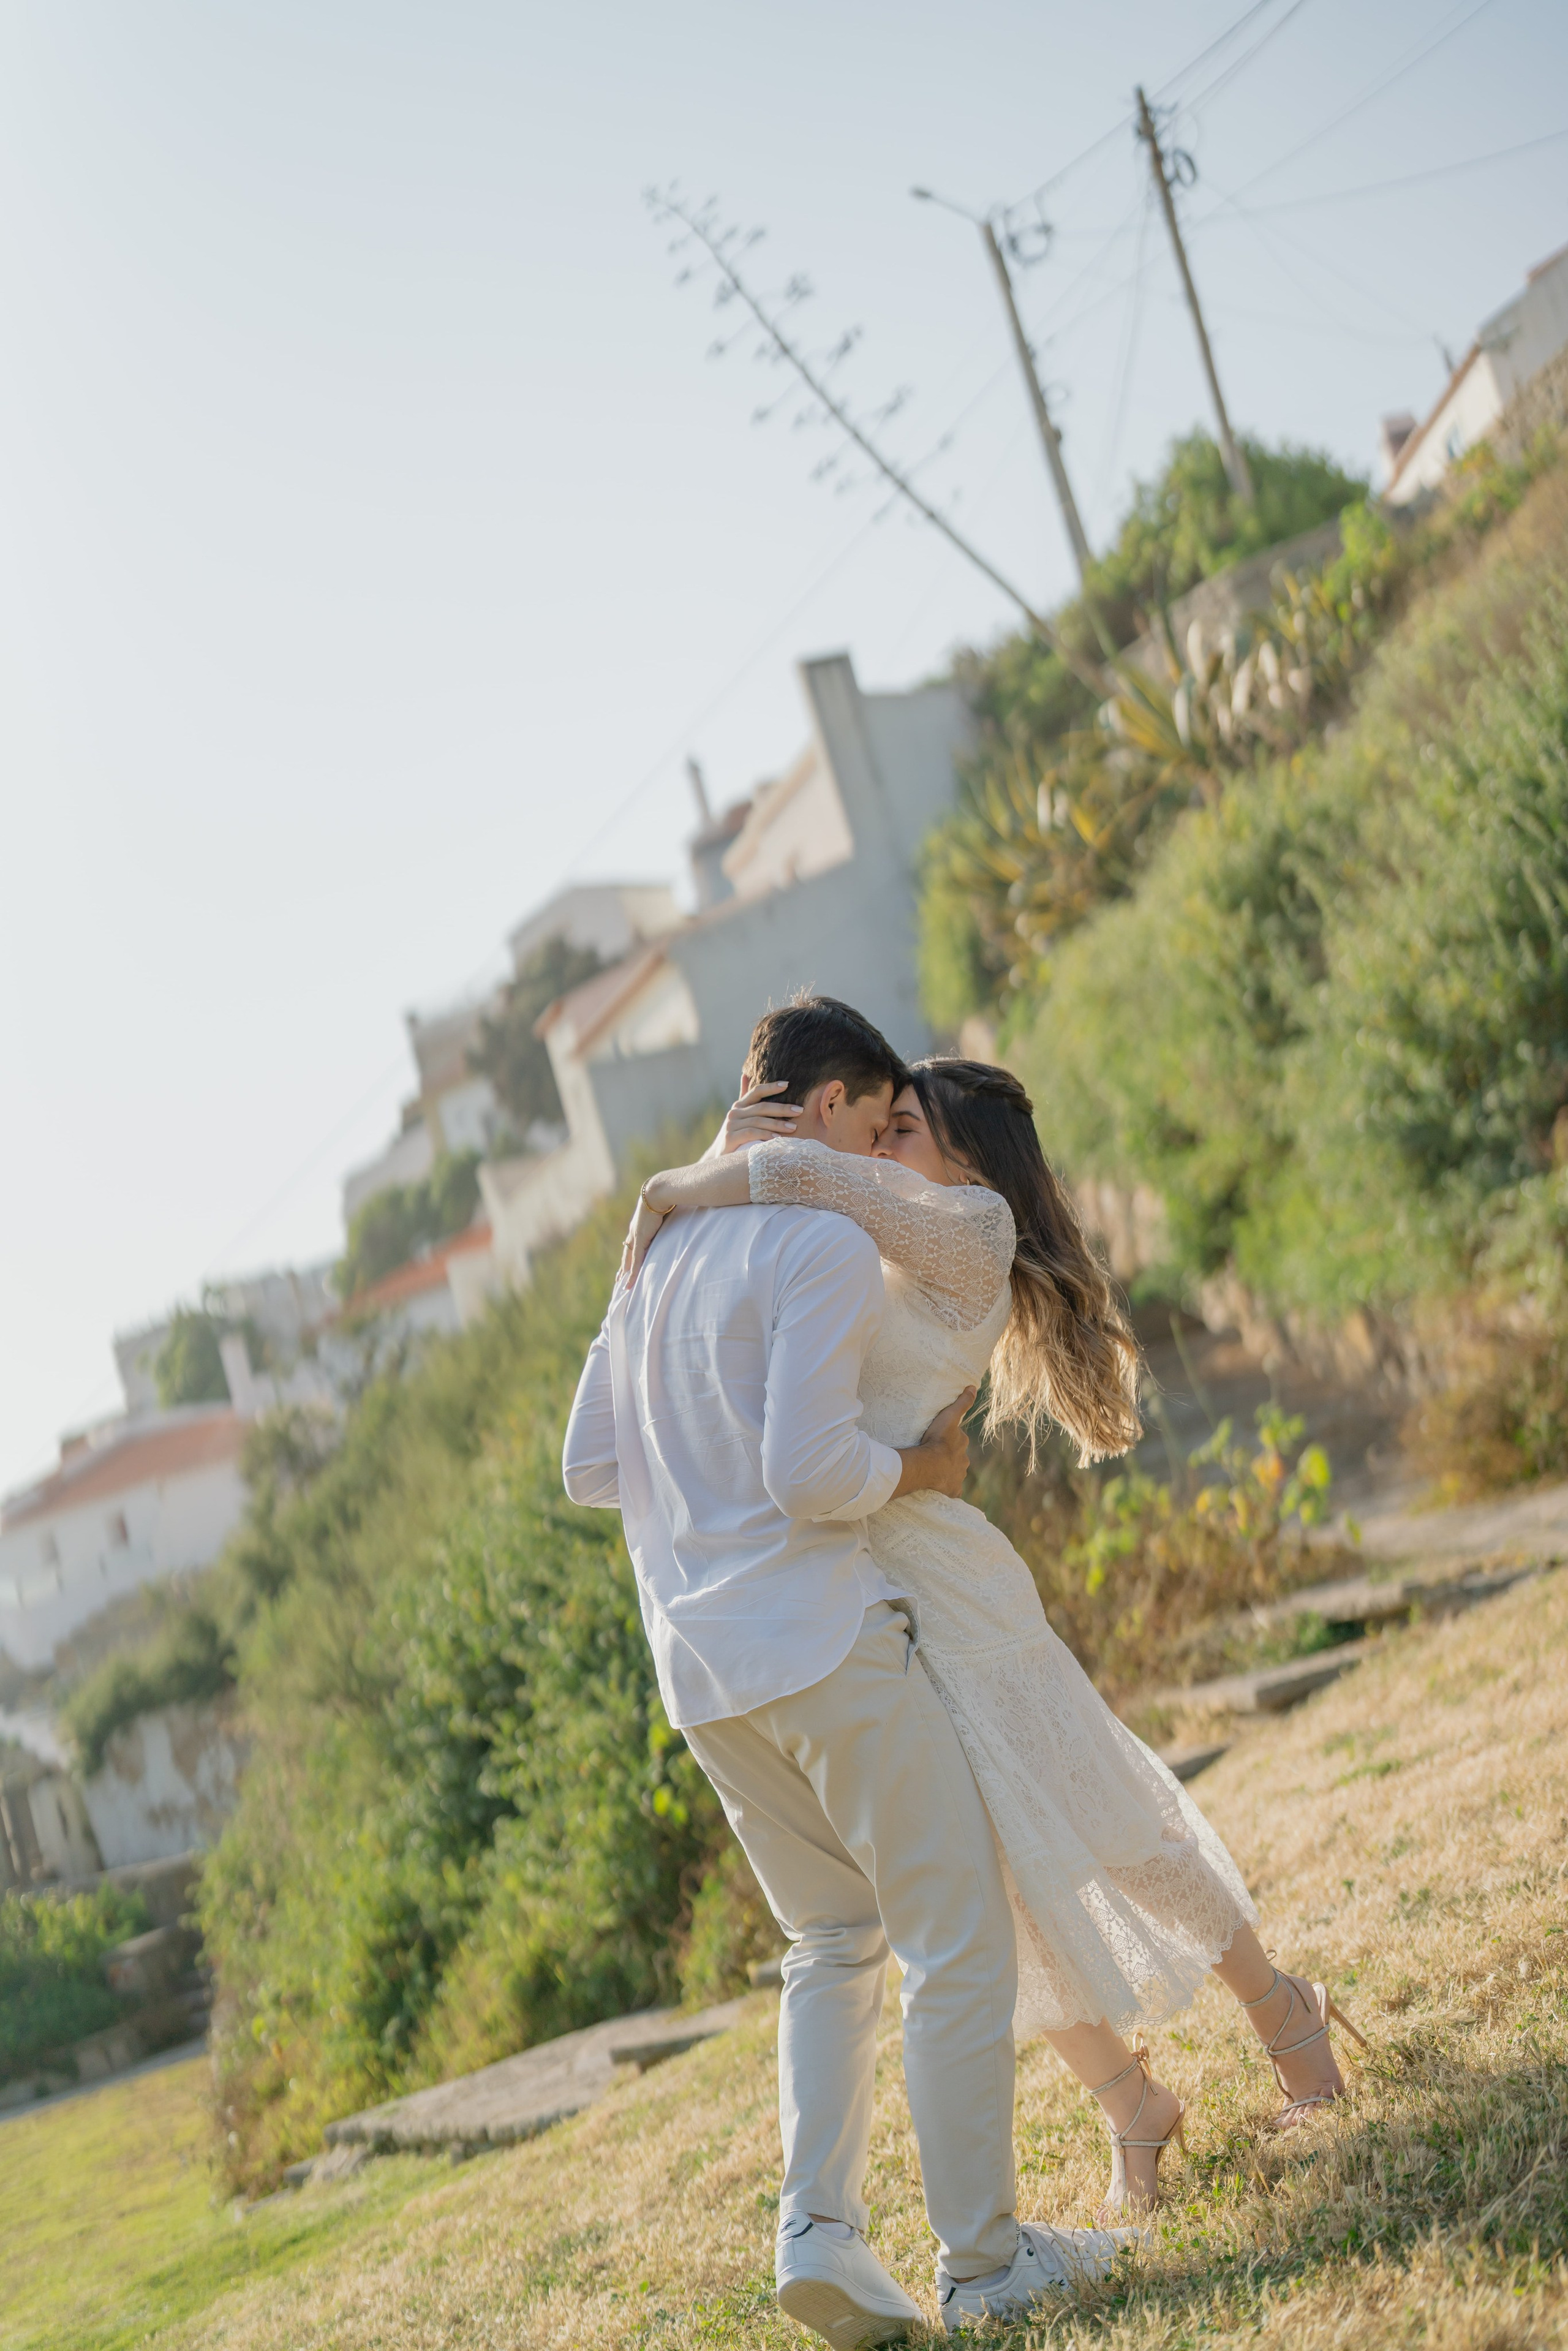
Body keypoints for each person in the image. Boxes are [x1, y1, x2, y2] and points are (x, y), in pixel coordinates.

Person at [624, 1047, 1367, 2230]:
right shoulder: (863, 1244)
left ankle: (1290, 2018)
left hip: (953, 1588)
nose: (881, 1146)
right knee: (988, 1892)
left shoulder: (965, 1227)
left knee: (1110, 1819)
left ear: (969, 1155)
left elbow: (818, 1184)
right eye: (883, 1127)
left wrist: (679, 1186)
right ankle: (1134, 2105)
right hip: (862, 1594)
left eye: (904, 1126)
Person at [564, 997, 1129, 2346]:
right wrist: (923, 1470)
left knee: (828, 1938)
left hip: (699, 1675)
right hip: (821, 1641)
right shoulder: (813, 1235)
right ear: (824, 1106)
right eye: (879, 1123)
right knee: (950, 1939)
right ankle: (985, 2263)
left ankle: (817, 2229)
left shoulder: (653, 1255)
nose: (885, 1153)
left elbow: (589, 1465)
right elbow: (810, 1474)